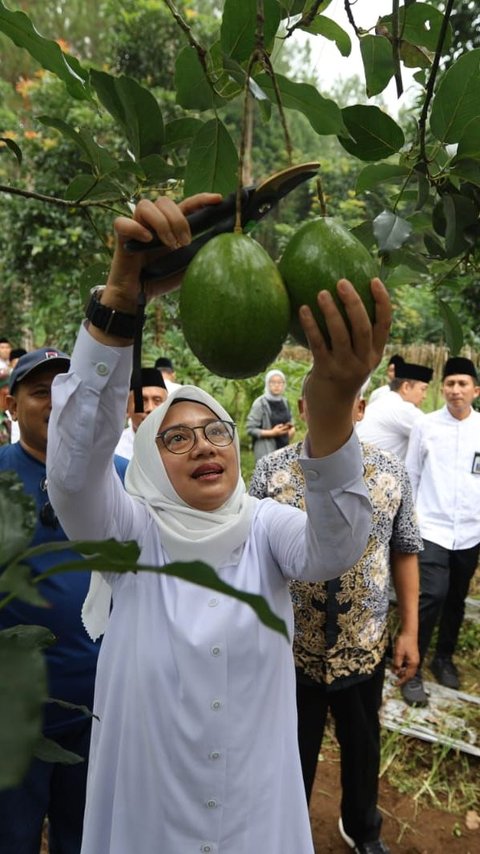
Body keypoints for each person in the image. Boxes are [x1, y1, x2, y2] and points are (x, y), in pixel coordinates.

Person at [46, 192, 391, 854]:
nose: (203, 444)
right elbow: (71, 474)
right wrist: (121, 296)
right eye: (176, 439)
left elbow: (336, 544)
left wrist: (332, 408)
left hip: (251, 819)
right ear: (146, 463)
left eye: (216, 431)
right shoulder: (129, 537)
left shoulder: (265, 528)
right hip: (152, 820)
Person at [249, 378, 421, 854]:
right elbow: (249, 555)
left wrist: (409, 629)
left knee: (363, 747)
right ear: (303, 407)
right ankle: (285, 832)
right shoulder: (270, 473)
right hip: (290, 650)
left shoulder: (391, 474)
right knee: (290, 751)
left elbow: (405, 551)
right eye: (318, 402)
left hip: (362, 648)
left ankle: (362, 829)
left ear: (360, 408)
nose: (328, 411)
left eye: (340, 401)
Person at [0, 347, 128, 854]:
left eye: (67, 392)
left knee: (88, 836)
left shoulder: (122, 478)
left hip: (101, 711)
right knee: (13, 836)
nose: (57, 403)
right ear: (10, 405)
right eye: (40, 392)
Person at [401, 356, 480, 706]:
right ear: (442, 389)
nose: (455, 390)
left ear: (475, 390)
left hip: (470, 532)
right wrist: (410, 521)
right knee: (430, 595)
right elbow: (411, 474)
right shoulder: (426, 426)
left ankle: (443, 658)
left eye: (462, 384)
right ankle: (411, 667)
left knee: (455, 599)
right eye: (450, 384)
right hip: (430, 527)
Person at [356, 360, 433, 460]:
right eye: (423, 389)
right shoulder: (402, 409)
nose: (424, 396)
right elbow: (437, 435)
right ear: (405, 387)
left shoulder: (384, 400)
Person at [115, 366, 168, 459]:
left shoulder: (181, 445)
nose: (150, 408)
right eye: (141, 401)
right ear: (127, 409)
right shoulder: (115, 450)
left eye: (157, 401)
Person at [246, 368, 296, 462]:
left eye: (280, 382)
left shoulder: (284, 402)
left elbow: (290, 421)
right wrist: (273, 433)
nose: (277, 386)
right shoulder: (260, 403)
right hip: (266, 451)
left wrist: (292, 429)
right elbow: (251, 429)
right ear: (267, 384)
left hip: (283, 449)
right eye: (272, 382)